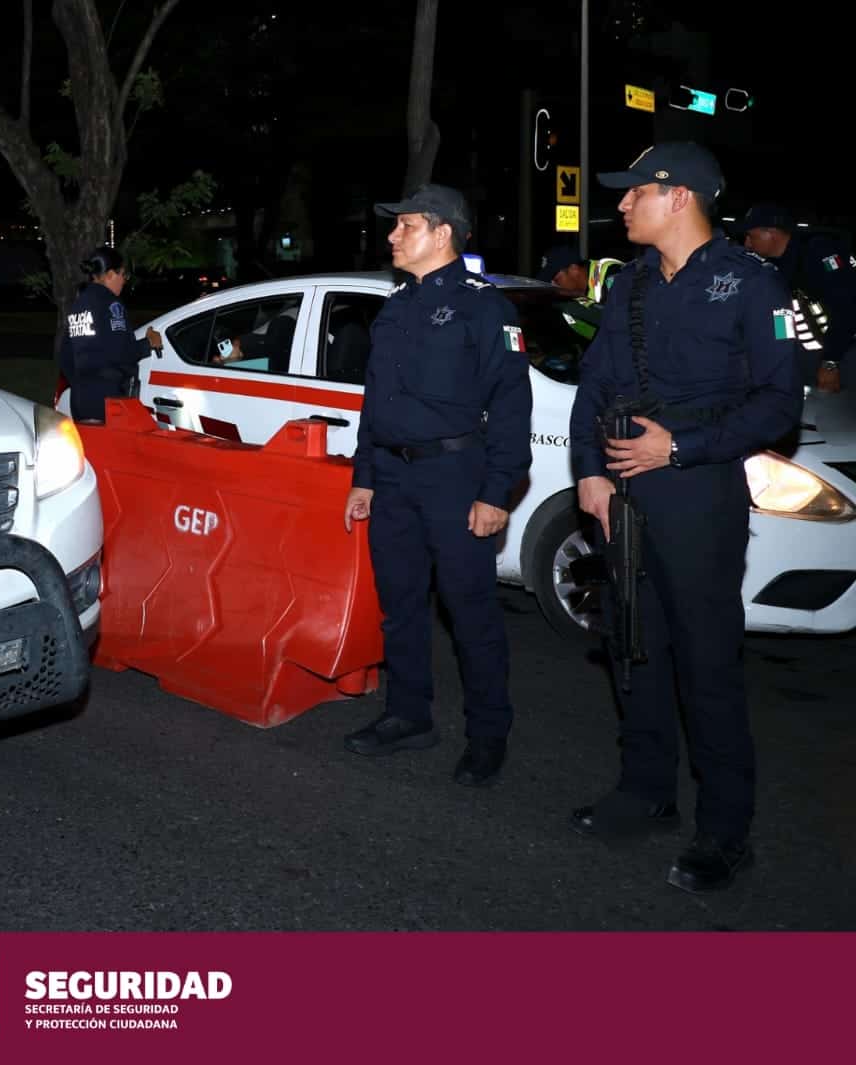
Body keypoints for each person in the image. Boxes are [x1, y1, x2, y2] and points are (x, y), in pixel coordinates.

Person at [568, 143, 802, 893]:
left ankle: (725, 831)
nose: (624, 204)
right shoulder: (628, 283)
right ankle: (647, 791)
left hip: (698, 492)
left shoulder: (751, 285)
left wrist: (684, 447)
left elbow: (778, 402)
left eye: (635, 192)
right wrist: (591, 474)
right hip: (624, 493)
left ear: (679, 197)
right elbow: (592, 383)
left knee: (706, 662)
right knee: (634, 645)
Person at [341, 184, 531, 788]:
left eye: (406, 225)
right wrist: (364, 477)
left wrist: (497, 491)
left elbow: (510, 407)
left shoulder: (485, 308)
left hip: (455, 477)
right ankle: (408, 715)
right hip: (393, 477)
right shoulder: (396, 307)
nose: (393, 235)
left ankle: (488, 735)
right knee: (400, 606)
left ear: (443, 232)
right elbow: (378, 401)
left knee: (469, 612)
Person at [739, 203, 854, 393]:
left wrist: (831, 362)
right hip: (813, 353)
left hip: (845, 352)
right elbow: (782, 314)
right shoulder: (775, 269)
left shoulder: (819, 251)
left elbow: (846, 306)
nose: (747, 244)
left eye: (751, 236)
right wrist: (780, 354)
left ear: (771, 232)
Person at [58, 246, 162, 421]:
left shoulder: (78, 304)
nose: (124, 281)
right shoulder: (111, 305)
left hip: (80, 402)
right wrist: (148, 343)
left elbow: (64, 355)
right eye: (123, 275)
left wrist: (80, 384)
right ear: (111, 274)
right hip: (109, 402)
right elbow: (121, 352)